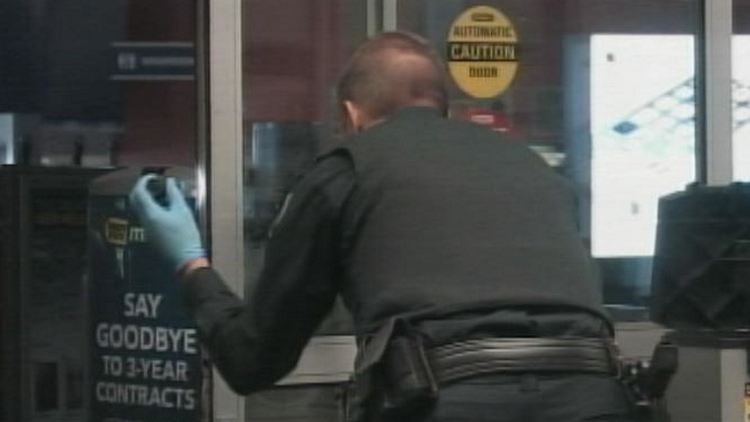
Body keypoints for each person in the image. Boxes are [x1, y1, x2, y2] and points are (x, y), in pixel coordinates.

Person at [130, 31, 634, 422]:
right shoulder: (535, 168)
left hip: (447, 401)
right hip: (597, 395)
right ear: (444, 106)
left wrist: (189, 263)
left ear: (350, 115)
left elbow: (253, 359)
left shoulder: (346, 170)